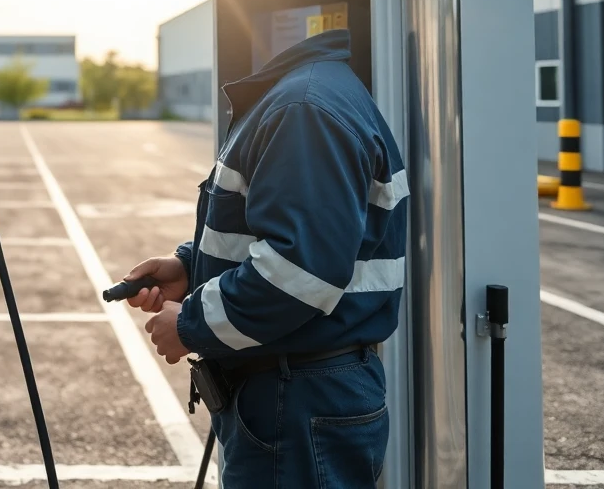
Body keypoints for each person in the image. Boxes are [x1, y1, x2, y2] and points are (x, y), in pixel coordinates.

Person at [125, 28, 407, 487]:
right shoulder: (309, 95)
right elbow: (294, 238)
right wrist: (189, 267)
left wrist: (189, 325)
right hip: (300, 390)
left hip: (296, 397)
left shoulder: (303, 109)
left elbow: (300, 270)